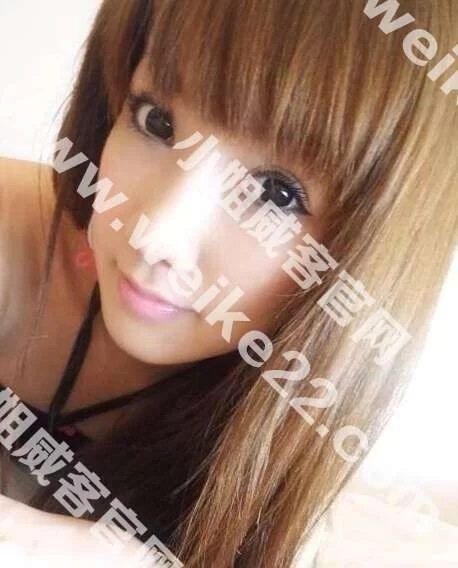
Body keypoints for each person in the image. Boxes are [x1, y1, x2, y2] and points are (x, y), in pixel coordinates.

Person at [0, 0, 457, 566]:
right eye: (157, 122)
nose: (156, 236)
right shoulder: (13, 236)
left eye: (275, 194)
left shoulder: (292, 428)